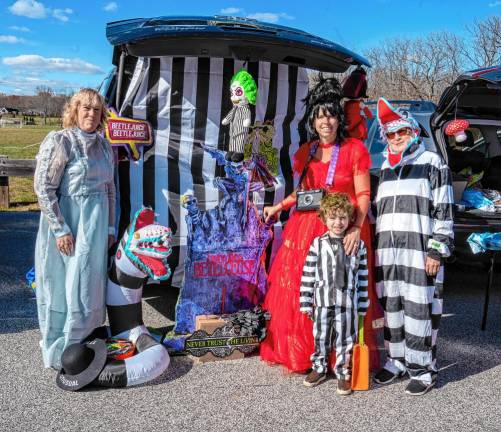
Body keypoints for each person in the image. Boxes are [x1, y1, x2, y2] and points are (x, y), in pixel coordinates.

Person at [260, 76, 381, 373]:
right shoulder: (308, 151)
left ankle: (339, 356)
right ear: (312, 121)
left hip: (344, 228)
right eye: (319, 116)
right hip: (306, 230)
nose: (325, 121)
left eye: (330, 115)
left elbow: (364, 194)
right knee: (306, 289)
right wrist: (278, 206)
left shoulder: (354, 149)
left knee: (343, 291)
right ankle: (309, 353)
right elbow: (303, 193)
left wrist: (356, 227)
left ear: (338, 118)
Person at [373, 98, 454, 396]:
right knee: (392, 305)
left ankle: (423, 369)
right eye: (391, 134)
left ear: (413, 131)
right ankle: (397, 361)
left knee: (420, 309)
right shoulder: (385, 166)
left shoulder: (432, 162)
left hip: (419, 250)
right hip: (388, 251)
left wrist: (437, 249)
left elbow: (444, 209)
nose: (396, 138)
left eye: (401, 132)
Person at [34, 88, 116, 369]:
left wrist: (111, 229)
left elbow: (110, 191)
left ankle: (86, 343)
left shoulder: (106, 147)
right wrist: (60, 229)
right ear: (75, 110)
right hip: (70, 225)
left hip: (96, 227)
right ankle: (64, 348)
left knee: (89, 286)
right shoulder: (61, 141)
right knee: (65, 285)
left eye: (96, 109)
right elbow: (44, 188)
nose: (91, 114)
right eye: (86, 108)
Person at [300, 192, 369, 395]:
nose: (337, 223)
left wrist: (363, 303)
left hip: (347, 303)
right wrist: (305, 300)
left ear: (350, 219)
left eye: (342, 218)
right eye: (332, 217)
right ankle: (319, 367)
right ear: (323, 218)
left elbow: (363, 276)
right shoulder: (317, 244)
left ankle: (342, 372)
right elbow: (308, 272)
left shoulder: (358, 246)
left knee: (345, 338)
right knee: (320, 336)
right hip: (322, 301)